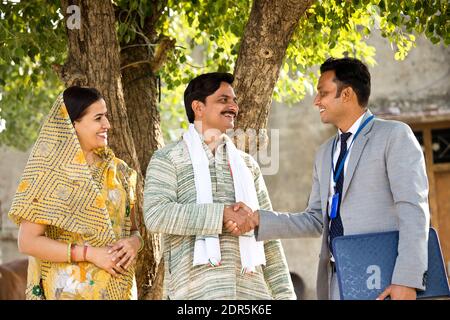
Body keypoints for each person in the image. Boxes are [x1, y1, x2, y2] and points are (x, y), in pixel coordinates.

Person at [225, 57, 430, 300]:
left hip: (385, 278)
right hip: (337, 280)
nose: (316, 101)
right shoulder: (324, 153)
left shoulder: (394, 136)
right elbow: (315, 219)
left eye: (323, 93)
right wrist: (258, 219)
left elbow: (413, 210)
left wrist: (407, 279)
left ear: (347, 94)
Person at [143, 72, 295, 300]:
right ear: (198, 107)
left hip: (251, 294)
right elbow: (156, 214)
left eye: (234, 101)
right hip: (195, 293)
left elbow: (268, 234)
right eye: (223, 100)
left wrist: (285, 296)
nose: (233, 106)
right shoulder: (168, 158)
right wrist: (221, 215)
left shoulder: (247, 165)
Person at [8, 86, 143, 300]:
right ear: (73, 125)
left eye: (105, 116)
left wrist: (135, 243)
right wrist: (90, 254)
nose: (107, 124)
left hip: (120, 290)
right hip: (68, 292)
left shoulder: (120, 171)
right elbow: (28, 241)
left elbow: (133, 229)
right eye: (98, 118)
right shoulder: (50, 174)